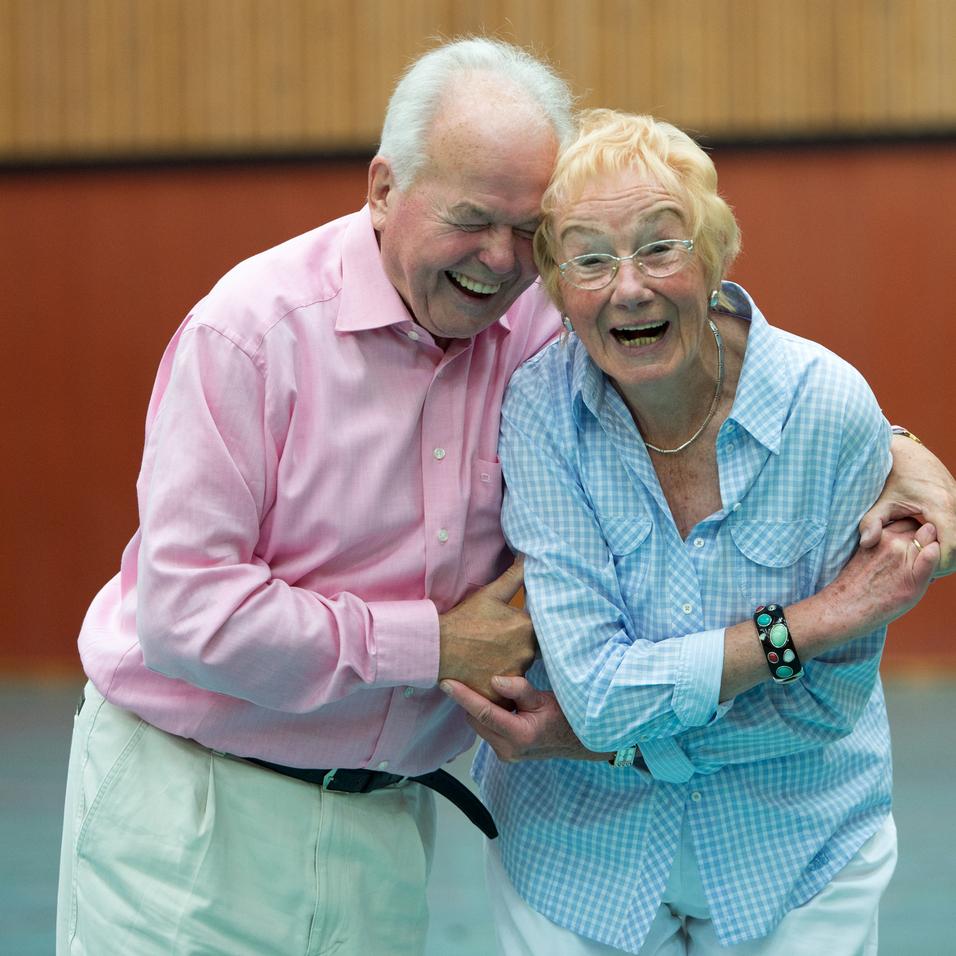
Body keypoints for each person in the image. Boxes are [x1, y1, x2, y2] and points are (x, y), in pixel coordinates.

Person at [56, 36, 955, 955]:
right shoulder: (249, 336)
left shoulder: (542, 314)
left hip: (385, 818)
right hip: (193, 802)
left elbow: (703, 341)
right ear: (381, 188)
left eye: (527, 231)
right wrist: (435, 643)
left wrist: (897, 449)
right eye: (469, 219)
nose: (497, 259)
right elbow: (184, 610)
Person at [452, 109, 948, 955]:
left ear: (714, 256)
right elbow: (597, 697)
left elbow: (826, 709)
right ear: (555, 285)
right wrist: (818, 620)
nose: (629, 287)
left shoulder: (826, 411)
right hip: (578, 842)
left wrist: (605, 739)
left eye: (659, 246)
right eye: (590, 258)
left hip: (796, 837)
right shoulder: (538, 412)